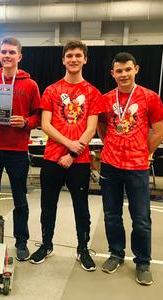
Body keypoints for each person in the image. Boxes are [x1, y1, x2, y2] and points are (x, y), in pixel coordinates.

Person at [29, 40, 101, 270]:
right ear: (63, 59)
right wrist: (69, 143)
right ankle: (46, 244)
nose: (73, 59)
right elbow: (46, 125)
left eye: (78, 55)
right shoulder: (51, 90)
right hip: (52, 159)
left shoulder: (92, 93)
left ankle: (83, 249)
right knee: (48, 205)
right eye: (69, 55)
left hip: (79, 161)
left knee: (82, 207)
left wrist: (72, 151)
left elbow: (91, 129)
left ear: (85, 59)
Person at [97, 52, 163, 285]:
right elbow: (102, 126)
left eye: (127, 69)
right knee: (111, 214)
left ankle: (143, 261)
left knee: (141, 218)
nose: (123, 74)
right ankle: (116, 253)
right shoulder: (107, 99)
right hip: (110, 165)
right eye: (119, 70)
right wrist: (111, 144)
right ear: (113, 73)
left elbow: (160, 131)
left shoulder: (150, 97)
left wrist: (143, 151)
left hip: (137, 166)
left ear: (135, 69)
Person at [0, 36, 41, 261]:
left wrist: (25, 122)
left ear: (19, 56)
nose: (7, 55)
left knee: (20, 199)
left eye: (12, 52)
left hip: (17, 151)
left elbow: (37, 116)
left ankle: (21, 241)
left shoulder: (30, 85)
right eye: (3, 52)